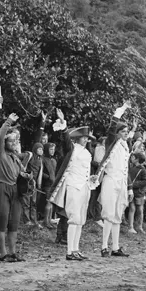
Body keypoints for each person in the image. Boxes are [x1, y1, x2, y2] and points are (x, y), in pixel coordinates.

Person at [49, 110, 98, 261]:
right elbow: (65, 140)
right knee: (73, 218)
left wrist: (91, 179)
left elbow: (85, 170)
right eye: (83, 137)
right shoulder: (72, 149)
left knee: (81, 220)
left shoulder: (87, 153)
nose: (85, 140)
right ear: (77, 138)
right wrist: (64, 125)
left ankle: (76, 249)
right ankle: (69, 251)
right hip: (72, 186)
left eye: (86, 138)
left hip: (84, 187)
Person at [0, 113, 29, 262]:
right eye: (11, 140)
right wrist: (9, 122)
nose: (14, 142)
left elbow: (21, 173)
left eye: (16, 140)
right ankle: (3, 254)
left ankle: (13, 253)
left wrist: (27, 176)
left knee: (14, 223)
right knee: (1, 221)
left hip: (14, 190)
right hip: (0, 188)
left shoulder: (15, 157)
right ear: (5, 141)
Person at [98, 102, 134, 257]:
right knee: (108, 214)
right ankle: (104, 246)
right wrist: (124, 108)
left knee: (118, 214)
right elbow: (113, 124)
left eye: (127, 131)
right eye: (123, 131)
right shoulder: (112, 142)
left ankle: (116, 247)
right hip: (110, 180)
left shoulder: (125, 147)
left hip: (121, 182)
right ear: (117, 132)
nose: (126, 133)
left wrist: (129, 187)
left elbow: (126, 170)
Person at [127, 151, 146, 234]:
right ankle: (131, 227)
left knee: (140, 210)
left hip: (139, 193)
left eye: (133, 157)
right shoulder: (130, 168)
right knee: (132, 208)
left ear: (137, 159)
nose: (131, 158)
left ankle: (140, 227)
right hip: (132, 191)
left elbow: (145, 181)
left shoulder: (142, 170)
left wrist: (133, 184)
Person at [39, 142, 57, 229]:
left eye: (53, 149)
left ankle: (49, 220)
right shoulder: (43, 159)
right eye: (51, 149)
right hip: (46, 184)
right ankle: (45, 221)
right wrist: (48, 177)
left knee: (51, 203)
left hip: (53, 184)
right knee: (48, 202)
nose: (52, 151)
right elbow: (40, 172)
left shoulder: (53, 160)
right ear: (46, 150)